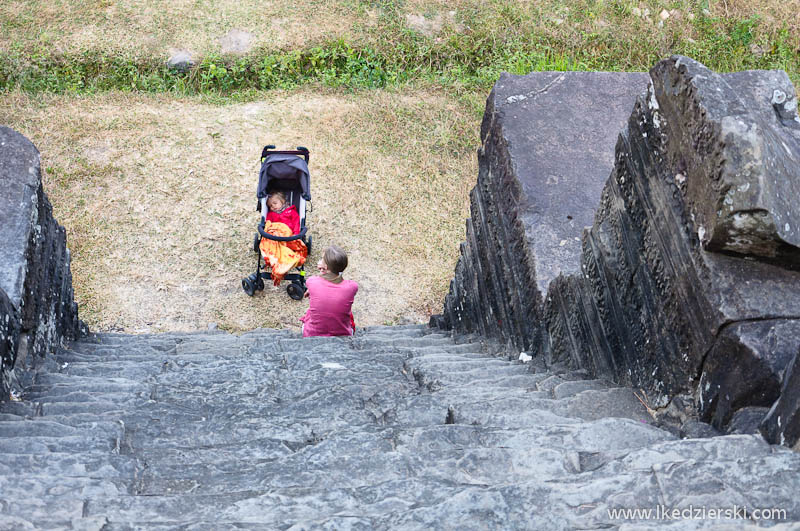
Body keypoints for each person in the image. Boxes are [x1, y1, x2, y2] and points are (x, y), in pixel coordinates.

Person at [300, 245, 358, 337]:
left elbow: (319, 286)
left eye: (321, 259)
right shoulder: (352, 286)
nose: (319, 261)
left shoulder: (311, 281)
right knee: (347, 313)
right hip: (344, 335)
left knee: (310, 312)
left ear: (325, 267)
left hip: (311, 334)